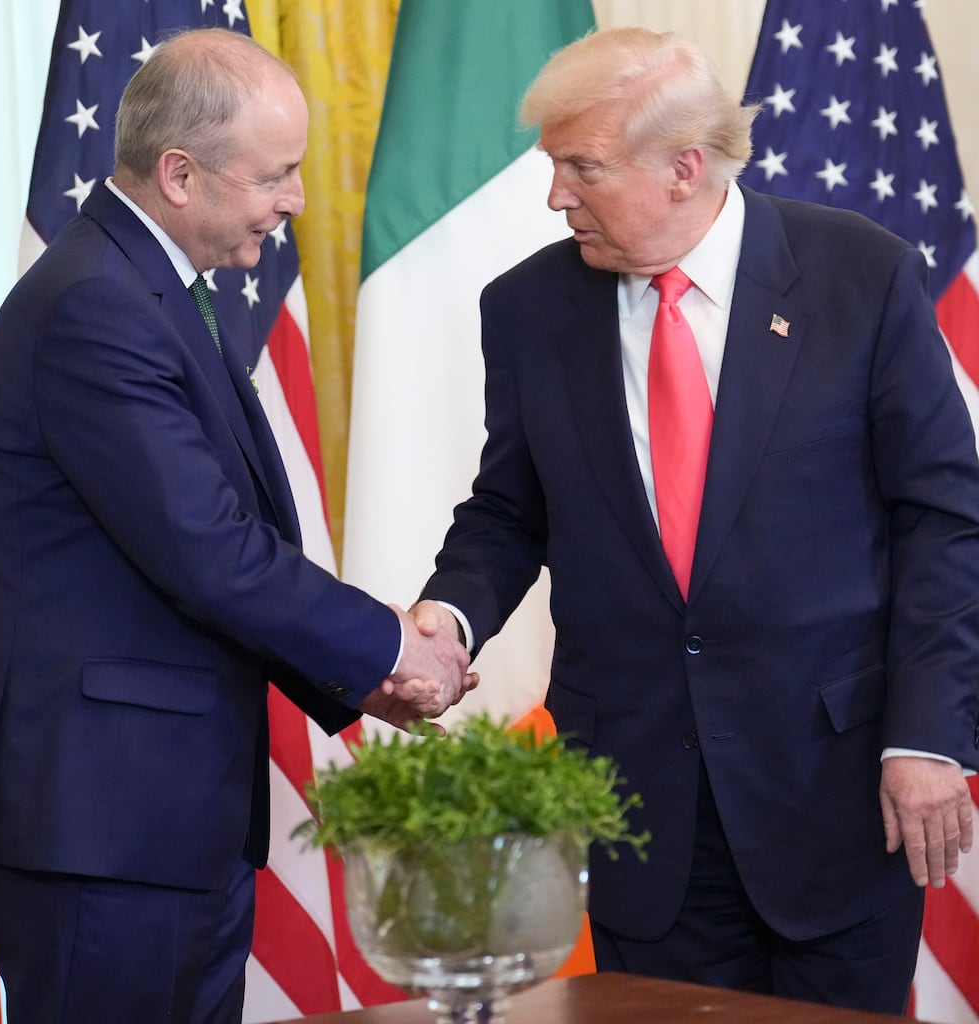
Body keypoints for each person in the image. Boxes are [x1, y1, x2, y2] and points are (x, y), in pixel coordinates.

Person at [413, 25, 979, 1015]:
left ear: (683, 167)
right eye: (555, 167)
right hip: (637, 797)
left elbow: (944, 517)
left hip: (834, 791)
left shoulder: (858, 275)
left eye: (580, 167)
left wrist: (929, 736)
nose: (556, 197)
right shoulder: (528, 308)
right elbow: (508, 509)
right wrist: (445, 617)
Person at [0, 27, 474, 1024]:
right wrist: (386, 650)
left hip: (157, 826)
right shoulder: (94, 308)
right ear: (180, 173)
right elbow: (209, 551)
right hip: (102, 833)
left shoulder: (144, 293)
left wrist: (366, 672)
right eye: (274, 176)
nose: (294, 203)